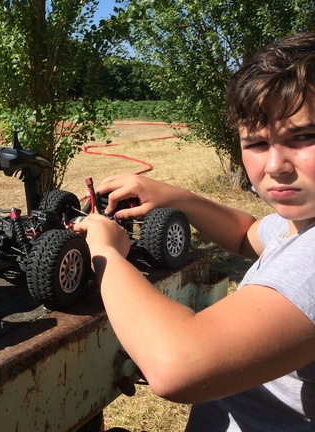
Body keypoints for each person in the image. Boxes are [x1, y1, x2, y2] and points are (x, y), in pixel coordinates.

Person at [72, 32, 315, 431]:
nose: (275, 166)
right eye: (255, 142)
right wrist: (179, 198)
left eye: (303, 136)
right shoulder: (299, 227)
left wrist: (107, 254)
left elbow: (176, 365)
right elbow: (249, 233)